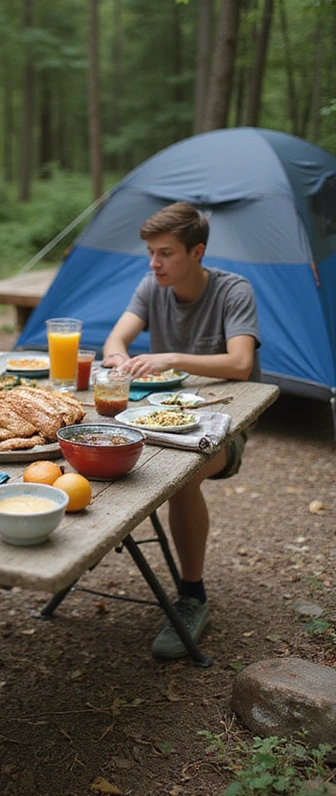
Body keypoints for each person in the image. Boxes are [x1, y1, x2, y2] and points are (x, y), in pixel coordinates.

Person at [102, 201, 260, 660]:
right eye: (151, 252)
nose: (154, 263)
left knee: (179, 473)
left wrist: (170, 357)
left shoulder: (234, 291)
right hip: (157, 418)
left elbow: (241, 363)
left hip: (223, 425)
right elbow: (116, 340)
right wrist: (119, 361)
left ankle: (193, 596)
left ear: (197, 252)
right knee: (98, 446)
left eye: (165, 253)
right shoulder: (153, 286)